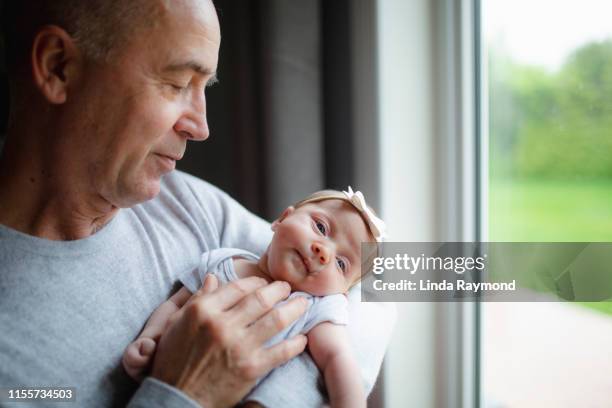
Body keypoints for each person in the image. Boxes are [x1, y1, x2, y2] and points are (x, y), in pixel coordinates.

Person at [0, 0, 395, 407]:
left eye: (205, 87)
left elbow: (366, 305)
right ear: (58, 66)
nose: (201, 127)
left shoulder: (189, 205)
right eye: (176, 84)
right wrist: (185, 395)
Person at [123, 189, 386, 407]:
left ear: (341, 292)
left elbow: (338, 359)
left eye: (341, 264)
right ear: (282, 218)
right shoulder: (223, 261)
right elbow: (175, 303)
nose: (323, 252)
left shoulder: (315, 306)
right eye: (320, 227)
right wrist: (152, 336)